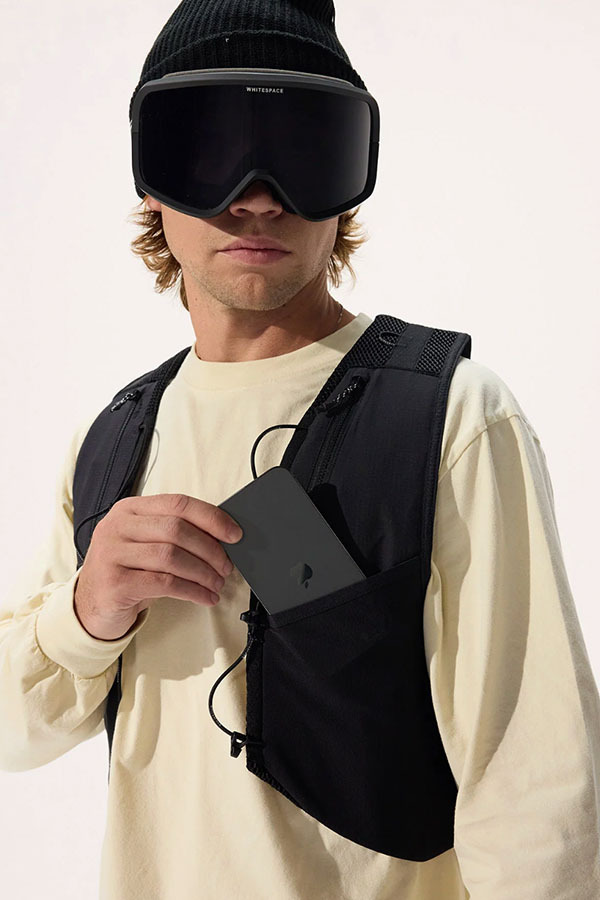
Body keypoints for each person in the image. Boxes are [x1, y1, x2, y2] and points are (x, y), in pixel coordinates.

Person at [2, 1, 600, 898]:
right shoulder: (115, 436)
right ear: (152, 182)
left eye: (303, 148)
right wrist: (88, 611)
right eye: (210, 147)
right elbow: (17, 731)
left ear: (351, 182)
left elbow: (539, 789)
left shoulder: (449, 416)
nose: (257, 195)